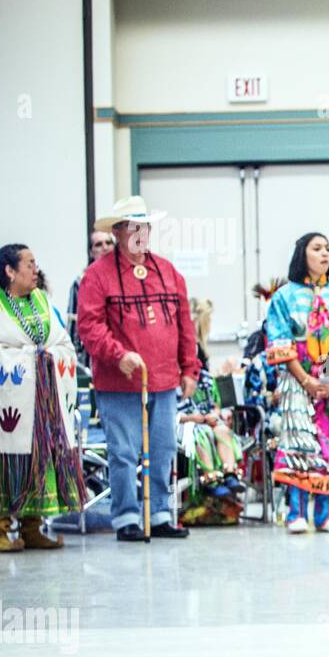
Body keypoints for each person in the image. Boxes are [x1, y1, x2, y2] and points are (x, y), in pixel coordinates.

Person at [77, 196, 199, 542]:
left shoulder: (168, 271)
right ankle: (127, 516)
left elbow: (185, 325)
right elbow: (89, 326)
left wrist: (189, 368)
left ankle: (159, 512)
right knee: (124, 452)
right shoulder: (97, 276)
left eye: (144, 227)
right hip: (119, 382)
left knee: (162, 449)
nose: (140, 233)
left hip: (163, 379)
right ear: (117, 232)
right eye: (132, 227)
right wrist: (118, 354)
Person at [0, 244, 87, 551]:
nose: (35, 269)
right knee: (4, 461)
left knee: (39, 462)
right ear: (10, 271)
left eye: (35, 263)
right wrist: (29, 359)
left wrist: (48, 357)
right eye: (28, 263)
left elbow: (64, 344)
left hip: (42, 407)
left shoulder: (41, 301)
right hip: (5, 405)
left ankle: (32, 527)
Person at [264, 231, 329, 534]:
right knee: (299, 440)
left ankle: (326, 514)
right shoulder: (284, 296)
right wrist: (306, 380)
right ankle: (295, 513)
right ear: (302, 255)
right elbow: (280, 341)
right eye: (317, 248)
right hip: (298, 378)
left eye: (328, 249)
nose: (325, 254)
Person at [177, 299, 246, 524]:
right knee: (203, 433)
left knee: (222, 430)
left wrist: (216, 414)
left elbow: (214, 403)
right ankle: (210, 480)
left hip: (206, 419)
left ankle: (229, 474)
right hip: (186, 424)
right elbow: (170, 413)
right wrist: (196, 418)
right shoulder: (173, 383)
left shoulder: (205, 379)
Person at [68, 230, 115, 365]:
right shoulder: (80, 282)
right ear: (91, 252)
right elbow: (73, 325)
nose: (105, 248)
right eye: (99, 244)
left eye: (108, 242)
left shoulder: (125, 279)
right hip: (92, 359)